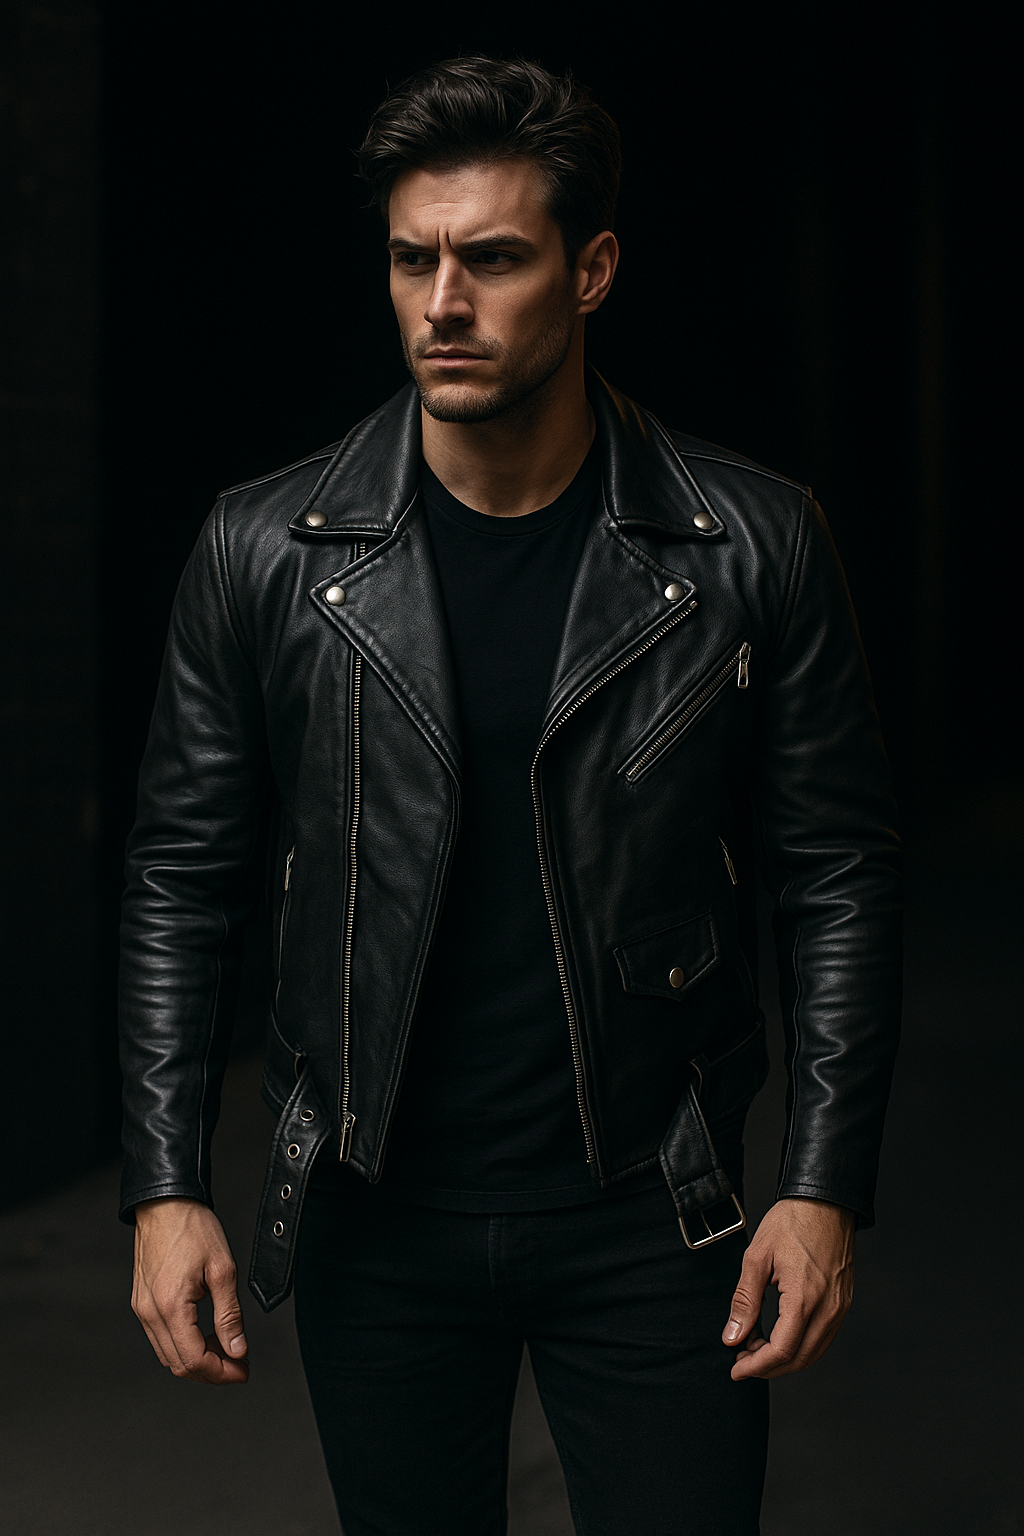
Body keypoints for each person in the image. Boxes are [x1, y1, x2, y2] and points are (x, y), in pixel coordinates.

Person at [119, 55, 902, 1536]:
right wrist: (163, 1187)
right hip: (373, 1209)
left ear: (592, 269)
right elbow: (178, 872)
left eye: (493, 259)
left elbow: (839, 871)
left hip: (658, 1209)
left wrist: (822, 1182)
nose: (442, 304)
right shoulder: (263, 554)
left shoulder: (751, 543)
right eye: (413, 260)